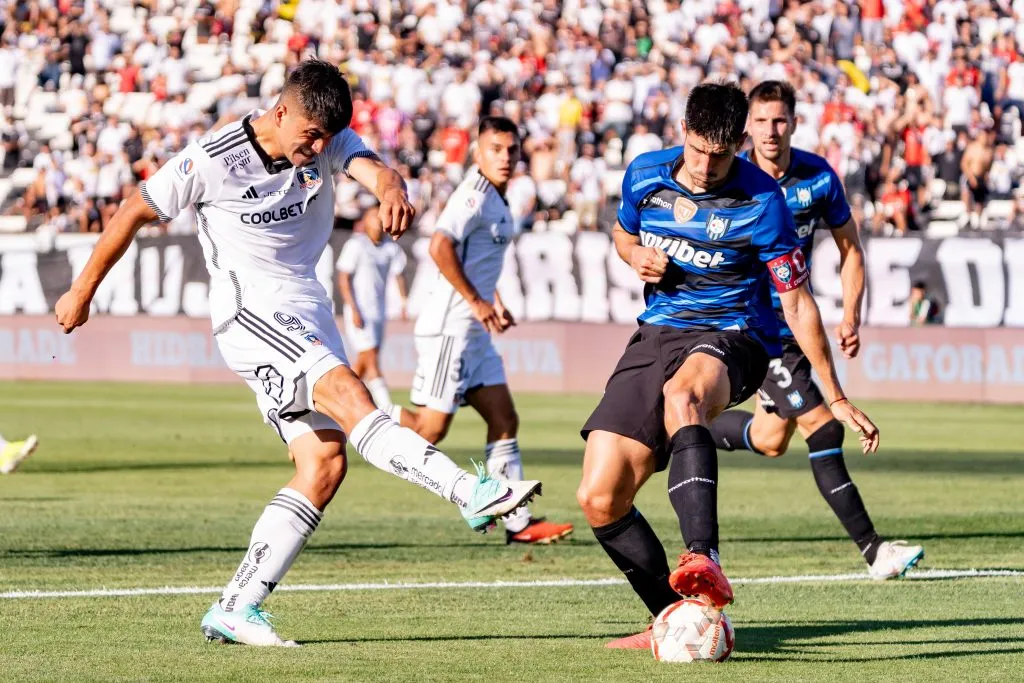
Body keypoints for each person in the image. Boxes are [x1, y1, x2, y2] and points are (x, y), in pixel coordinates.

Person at [54, 60, 541, 647]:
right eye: (308, 136)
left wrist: (391, 189)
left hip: (307, 308)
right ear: (281, 112)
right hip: (251, 312)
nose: (315, 149)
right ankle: (468, 491)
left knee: (324, 463)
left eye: (324, 139)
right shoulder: (213, 159)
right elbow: (135, 210)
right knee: (350, 395)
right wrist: (81, 292)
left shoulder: (329, 140)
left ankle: (236, 607)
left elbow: (374, 170)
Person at [575, 82, 880, 649]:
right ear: (683, 133)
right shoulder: (645, 174)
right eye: (697, 151)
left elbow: (796, 302)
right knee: (599, 497)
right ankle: (674, 620)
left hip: (736, 334)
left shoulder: (764, 202)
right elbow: (622, 232)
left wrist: (835, 396)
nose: (705, 167)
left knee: (684, 396)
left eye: (719, 155)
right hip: (658, 331)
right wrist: (634, 254)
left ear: (738, 145)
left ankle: (703, 557)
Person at [710, 81, 924, 581]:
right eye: (761, 121)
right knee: (823, 426)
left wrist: (851, 314)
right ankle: (876, 553)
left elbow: (851, 248)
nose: (770, 131)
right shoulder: (731, 179)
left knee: (769, 439)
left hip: (797, 324)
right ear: (746, 127)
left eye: (779, 120)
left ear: (795, 123)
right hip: (754, 326)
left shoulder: (818, 177)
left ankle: (678, 426)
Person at [389, 117, 574, 545]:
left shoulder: (498, 197)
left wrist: (495, 301)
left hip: (474, 332)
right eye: (495, 149)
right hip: (450, 329)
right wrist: (476, 302)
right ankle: (355, 415)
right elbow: (439, 246)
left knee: (504, 418)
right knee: (429, 431)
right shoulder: (472, 196)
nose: (505, 157)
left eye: (511, 149)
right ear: (477, 152)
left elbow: (477, 263)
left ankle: (519, 525)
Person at [336, 205, 408, 409]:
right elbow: (343, 278)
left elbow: (399, 274)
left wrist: (403, 302)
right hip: (359, 310)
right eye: (373, 216)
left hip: (379, 312)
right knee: (371, 359)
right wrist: (353, 309)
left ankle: (341, 402)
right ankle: (387, 409)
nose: (378, 220)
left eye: (379, 216)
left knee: (363, 362)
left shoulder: (391, 247)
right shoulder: (356, 245)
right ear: (364, 222)